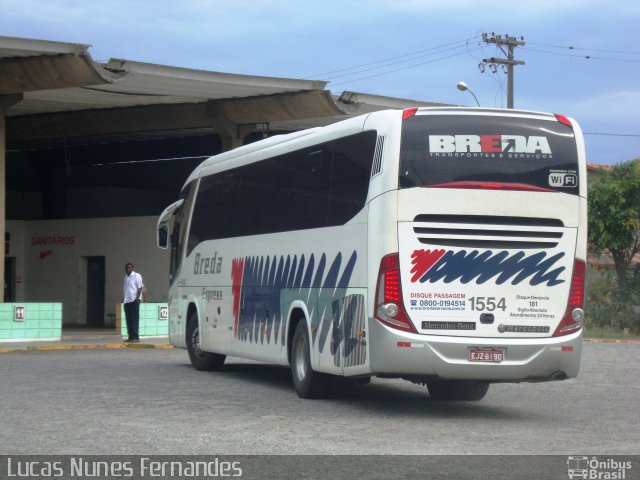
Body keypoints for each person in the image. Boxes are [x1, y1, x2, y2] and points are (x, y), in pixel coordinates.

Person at [123, 262, 144, 342]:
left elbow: (140, 287)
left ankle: (135, 337)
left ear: (132, 268)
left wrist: (138, 298)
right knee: (128, 319)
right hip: (127, 301)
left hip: (134, 301)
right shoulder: (126, 277)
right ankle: (130, 336)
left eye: (129, 267)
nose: (128, 269)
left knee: (134, 319)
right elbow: (126, 289)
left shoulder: (136, 276)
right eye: (127, 267)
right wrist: (123, 298)